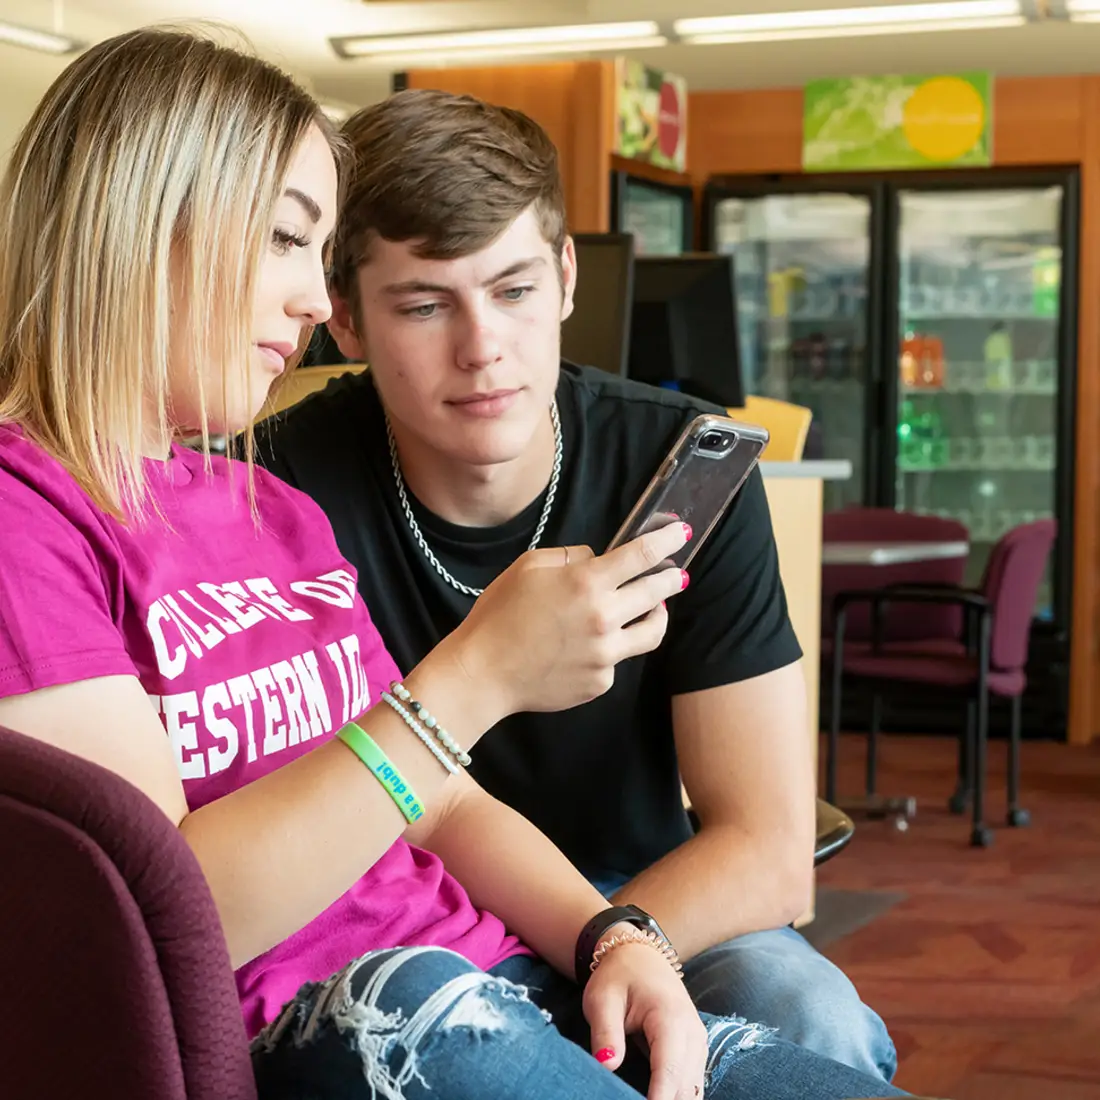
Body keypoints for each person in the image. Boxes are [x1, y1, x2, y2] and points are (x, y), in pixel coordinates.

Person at [0, 28, 907, 1100]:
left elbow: (435, 804)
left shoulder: (265, 504)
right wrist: (473, 677)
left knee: (802, 1035)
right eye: (286, 241)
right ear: (142, 224)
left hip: (503, 964)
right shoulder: (37, 513)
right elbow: (161, 920)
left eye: (313, 247)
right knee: (420, 985)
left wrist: (609, 933)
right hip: (374, 1007)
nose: (302, 300)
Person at [253, 88, 898, 1084]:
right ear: (343, 318)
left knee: (807, 1008)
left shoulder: (681, 467)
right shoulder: (277, 486)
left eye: (511, 289)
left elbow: (768, 848)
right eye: (424, 304)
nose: (482, 347)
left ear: (562, 278)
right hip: (401, 908)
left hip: (643, 889)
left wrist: (607, 939)